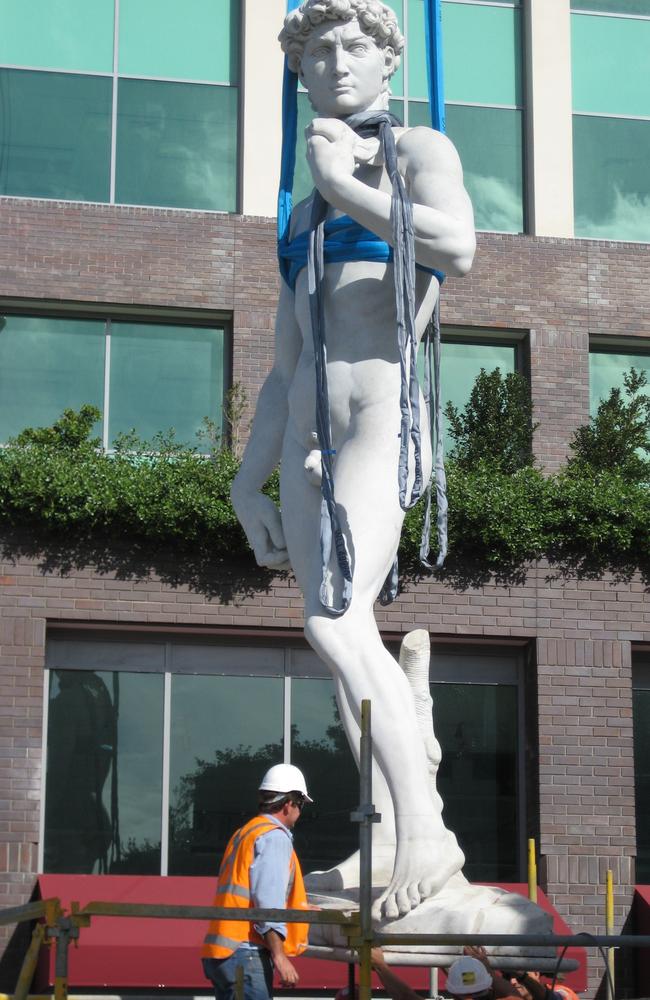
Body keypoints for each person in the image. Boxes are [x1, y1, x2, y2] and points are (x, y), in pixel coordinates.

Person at [230, 0, 475, 920]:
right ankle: (384, 827)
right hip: (306, 437)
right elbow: (287, 361)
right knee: (340, 641)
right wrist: (247, 474)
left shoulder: (416, 154)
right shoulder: (299, 207)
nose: (332, 64)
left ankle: (428, 833)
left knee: (336, 623)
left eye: (351, 47)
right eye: (315, 52)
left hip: (380, 419)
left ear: (385, 62)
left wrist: (349, 187)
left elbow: (459, 246)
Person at [201, 764, 313, 1000]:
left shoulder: (246, 832)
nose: (300, 812)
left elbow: (252, 891)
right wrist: (279, 956)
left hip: (224, 951)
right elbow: (267, 900)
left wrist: (298, 910)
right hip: (245, 951)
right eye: (301, 804)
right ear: (288, 803)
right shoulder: (274, 837)